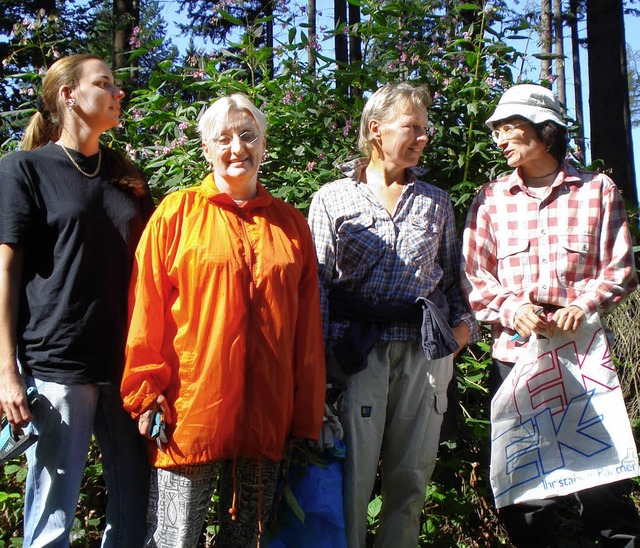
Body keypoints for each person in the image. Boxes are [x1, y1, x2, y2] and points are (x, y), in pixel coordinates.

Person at [120, 93, 326, 547]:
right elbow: (146, 310)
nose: (237, 148)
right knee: (176, 538)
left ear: (264, 144)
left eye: (248, 135)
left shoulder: (291, 225)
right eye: (224, 138)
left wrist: (307, 413)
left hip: (267, 415)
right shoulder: (177, 214)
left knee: (247, 539)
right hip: (188, 414)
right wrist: (145, 393)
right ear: (206, 149)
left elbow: (307, 330)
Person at [461, 83, 640, 547]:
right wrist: (512, 308)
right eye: (495, 130)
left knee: (602, 475)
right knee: (526, 482)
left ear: (545, 130)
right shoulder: (490, 199)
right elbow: (474, 275)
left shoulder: (597, 190)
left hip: (582, 354)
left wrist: (582, 305)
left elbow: (620, 268)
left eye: (509, 127)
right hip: (515, 355)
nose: (499, 138)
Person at [307, 82, 479, 548]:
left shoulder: (436, 201)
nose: (423, 138)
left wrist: (461, 334)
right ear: (375, 129)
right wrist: (320, 368)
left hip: (424, 355)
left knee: (411, 479)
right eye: (413, 128)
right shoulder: (331, 198)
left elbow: (454, 284)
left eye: (426, 129)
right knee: (352, 479)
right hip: (356, 352)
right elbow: (317, 289)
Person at [0, 53, 153, 546]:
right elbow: (5, 271)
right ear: (68, 95)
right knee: (51, 518)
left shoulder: (125, 177)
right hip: (58, 363)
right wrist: (7, 371)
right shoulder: (24, 170)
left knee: (135, 505)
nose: (117, 91)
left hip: (127, 364)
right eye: (104, 82)